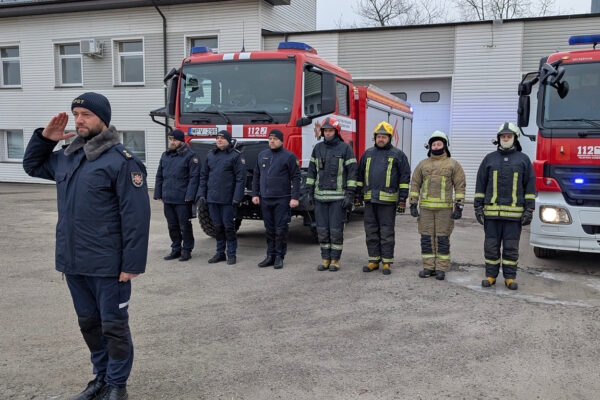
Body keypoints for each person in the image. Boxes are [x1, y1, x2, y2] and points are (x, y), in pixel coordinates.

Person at [23, 92, 150, 400]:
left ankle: (117, 385)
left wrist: (131, 265)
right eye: (75, 114)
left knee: (114, 327)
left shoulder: (122, 162)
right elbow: (32, 166)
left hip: (108, 266)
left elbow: (136, 218)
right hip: (74, 262)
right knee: (89, 326)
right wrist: (45, 139)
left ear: (102, 119)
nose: (79, 120)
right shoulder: (67, 157)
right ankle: (102, 378)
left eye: (86, 115)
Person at [474, 122, 536, 290]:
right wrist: (478, 207)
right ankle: (491, 275)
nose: (506, 138)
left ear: (515, 138)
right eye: (503, 136)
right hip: (492, 215)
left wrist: (529, 209)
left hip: (514, 216)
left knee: (511, 247)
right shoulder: (489, 159)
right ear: (498, 139)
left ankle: (510, 277)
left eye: (509, 136)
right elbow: (481, 184)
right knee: (491, 246)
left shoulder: (523, 160)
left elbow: (530, 187)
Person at [409, 131, 466, 281]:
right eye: (434, 144)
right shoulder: (422, 164)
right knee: (426, 239)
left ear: (445, 146)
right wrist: (413, 203)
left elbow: (460, 186)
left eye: (439, 144)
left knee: (442, 239)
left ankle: (441, 268)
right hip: (426, 210)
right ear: (430, 146)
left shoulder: (453, 164)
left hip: (444, 211)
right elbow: (415, 184)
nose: (436, 146)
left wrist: (459, 206)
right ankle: (428, 267)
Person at [356, 121, 411, 275]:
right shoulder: (367, 154)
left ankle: (387, 262)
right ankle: (373, 260)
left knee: (386, 232)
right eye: (378, 137)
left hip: (387, 202)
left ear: (389, 138)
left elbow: (404, 179)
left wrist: (402, 199)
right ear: (375, 138)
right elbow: (360, 176)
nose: (381, 139)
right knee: (371, 231)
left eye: (383, 137)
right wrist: (357, 195)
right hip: (369, 201)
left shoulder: (398, 155)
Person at [306, 116, 357, 272]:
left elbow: (352, 174)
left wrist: (349, 195)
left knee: (335, 230)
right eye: (325, 130)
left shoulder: (345, 149)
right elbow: (311, 172)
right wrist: (309, 193)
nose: (327, 133)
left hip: (337, 199)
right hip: (320, 197)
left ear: (336, 132)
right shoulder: (318, 148)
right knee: (322, 230)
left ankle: (335, 259)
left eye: (330, 131)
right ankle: (325, 258)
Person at [252, 129, 301, 269]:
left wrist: (295, 197)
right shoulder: (262, 155)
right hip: (266, 198)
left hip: (282, 199)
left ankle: (279, 256)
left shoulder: (289, 156)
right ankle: (270, 256)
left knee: (280, 230)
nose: (272, 141)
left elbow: (296, 177)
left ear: (281, 140)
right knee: (269, 229)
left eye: (274, 138)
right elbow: (256, 175)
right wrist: (255, 194)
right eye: (270, 138)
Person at [197, 130, 246, 265]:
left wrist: (237, 197)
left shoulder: (235, 156)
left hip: (228, 199)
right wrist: (201, 194)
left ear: (228, 141)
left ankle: (231, 254)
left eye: (222, 138)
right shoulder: (210, 155)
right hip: (212, 198)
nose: (219, 140)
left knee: (228, 227)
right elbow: (204, 176)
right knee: (217, 227)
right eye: (218, 138)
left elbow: (240, 179)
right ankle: (220, 253)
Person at [154, 129, 201, 262]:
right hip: (168, 197)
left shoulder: (190, 156)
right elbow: (159, 176)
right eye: (171, 140)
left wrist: (190, 195)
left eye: (174, 140)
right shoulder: (165, 155)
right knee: (172, 225)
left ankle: (186, 250)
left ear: (181, 141)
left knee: (184, 225)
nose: (172, 142)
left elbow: (194, 177)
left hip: (182, 198)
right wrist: (158, 193)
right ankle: (175, 249)